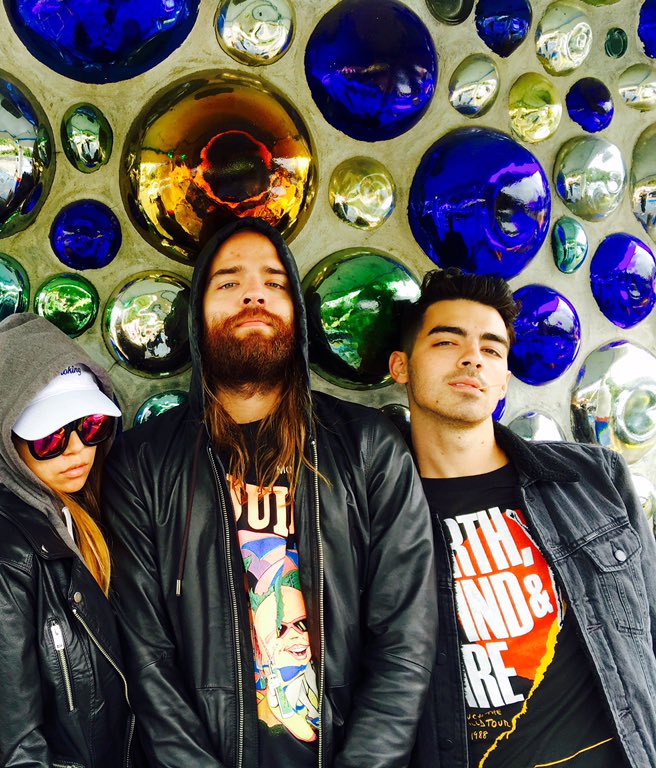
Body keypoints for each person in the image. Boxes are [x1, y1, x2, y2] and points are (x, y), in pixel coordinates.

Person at [103, 217, 437, 768]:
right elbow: (145, 657)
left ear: (297, 314)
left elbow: (406, 639)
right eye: (229, 281)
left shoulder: (368, 446)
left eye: (274, 282)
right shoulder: (143, 464)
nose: (253, 293)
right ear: (197, 316)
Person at [388, 268, 656, 768]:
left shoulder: (593, 478)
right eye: (447, 341)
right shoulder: (378, 516)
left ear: (503, 380)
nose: (473, 357)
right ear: (401, 366)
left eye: (492, 350)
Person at [0, 312, 134, 768]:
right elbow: (16, 749)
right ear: (5, 436)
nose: (77, 450)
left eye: (91, 426)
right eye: (50, 437)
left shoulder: (80, 516)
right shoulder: (1, 562)